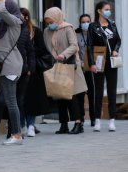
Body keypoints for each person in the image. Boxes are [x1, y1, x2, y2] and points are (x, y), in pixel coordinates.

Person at [0, 13, 35, 140]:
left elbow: (30, 51)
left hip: (19, 70)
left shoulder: (21, 32)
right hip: (4, 69)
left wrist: (30, 68)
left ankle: (14, 132)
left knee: (15, 101)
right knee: (2, 101)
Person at [43, 7, 87, 135]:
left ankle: (78, 123)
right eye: (48, 22)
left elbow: (74, 45)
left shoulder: (68, 28)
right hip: (56, 66)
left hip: (69, 65)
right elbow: (48, 47)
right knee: (59, 96)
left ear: (58, 18)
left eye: (52, 21)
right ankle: (63, 124)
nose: (50, 25)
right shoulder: (46, 31)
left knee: (71, 96)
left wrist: (63, 54)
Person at [0, 0, 24, 145]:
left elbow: (3, 12)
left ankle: (16, 134)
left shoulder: (15, 21)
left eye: (6, 6)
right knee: (10, 101)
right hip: (5, 66)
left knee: (11, 102)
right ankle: (16, 134)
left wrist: (3, 3)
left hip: (11, 66)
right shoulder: (2, 23)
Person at [87, 1, 121, 132]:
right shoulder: (93, 26)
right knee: (98, 91)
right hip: (99, 59)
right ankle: (97, 120)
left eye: (109, 9)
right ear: (99, 11)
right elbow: (89, 46)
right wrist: (91, 63)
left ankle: (112, 120)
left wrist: (116, 49)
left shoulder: (112, 24)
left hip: (112, 61)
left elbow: (118, 39)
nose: (109, 11)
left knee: (112, 91)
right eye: (106, 9)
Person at [21, 7, 51, 137]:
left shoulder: (36, 31)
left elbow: (42, 49)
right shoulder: (13, 30)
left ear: (27, 17)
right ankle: (21, 125)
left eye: (23, 16)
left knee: (31, 100)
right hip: (18, 69)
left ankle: (31, 125)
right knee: (19, 100)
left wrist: (30, 51)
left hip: (33, 71)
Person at [75, 14, 95, 126]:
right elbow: (75, 50)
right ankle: (81, 117)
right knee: (80, 94)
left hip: (91, 68)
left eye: (87, 21)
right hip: (80, 67)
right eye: (83, 21)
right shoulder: (76, 34)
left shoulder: (94, 33)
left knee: (92, 94)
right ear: (80, 22)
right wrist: (79, 63)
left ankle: (93, 118)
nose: (85, 23)